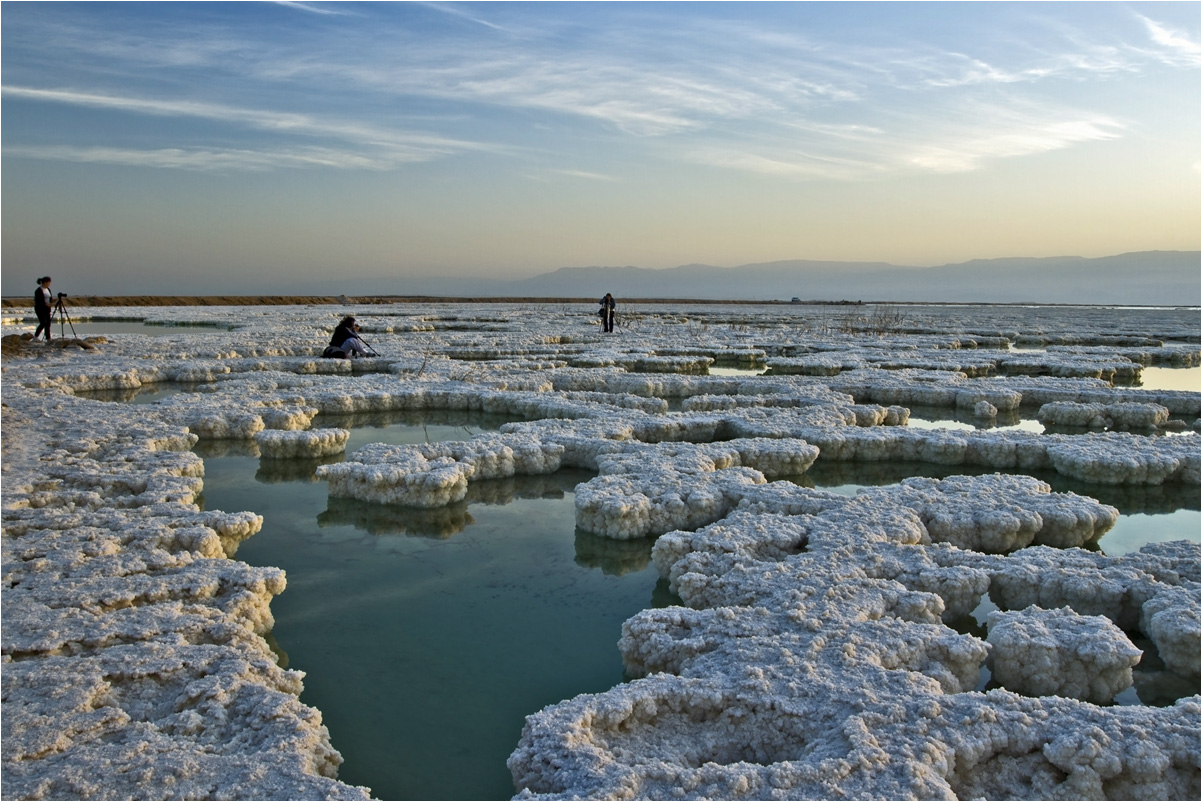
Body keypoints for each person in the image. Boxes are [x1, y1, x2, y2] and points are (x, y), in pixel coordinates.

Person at [34, 277, 53, 341]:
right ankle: (36, 336)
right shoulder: (38, 290)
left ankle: (48, 337)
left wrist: (51, 303)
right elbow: (39, 301)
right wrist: (46, 304)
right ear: (45, 282)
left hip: (47, 309)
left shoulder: (48, 289)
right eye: (48, 282)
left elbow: (50, 298)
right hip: (40, 309)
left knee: (48, 323)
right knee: (43, 323)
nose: (49, 284)